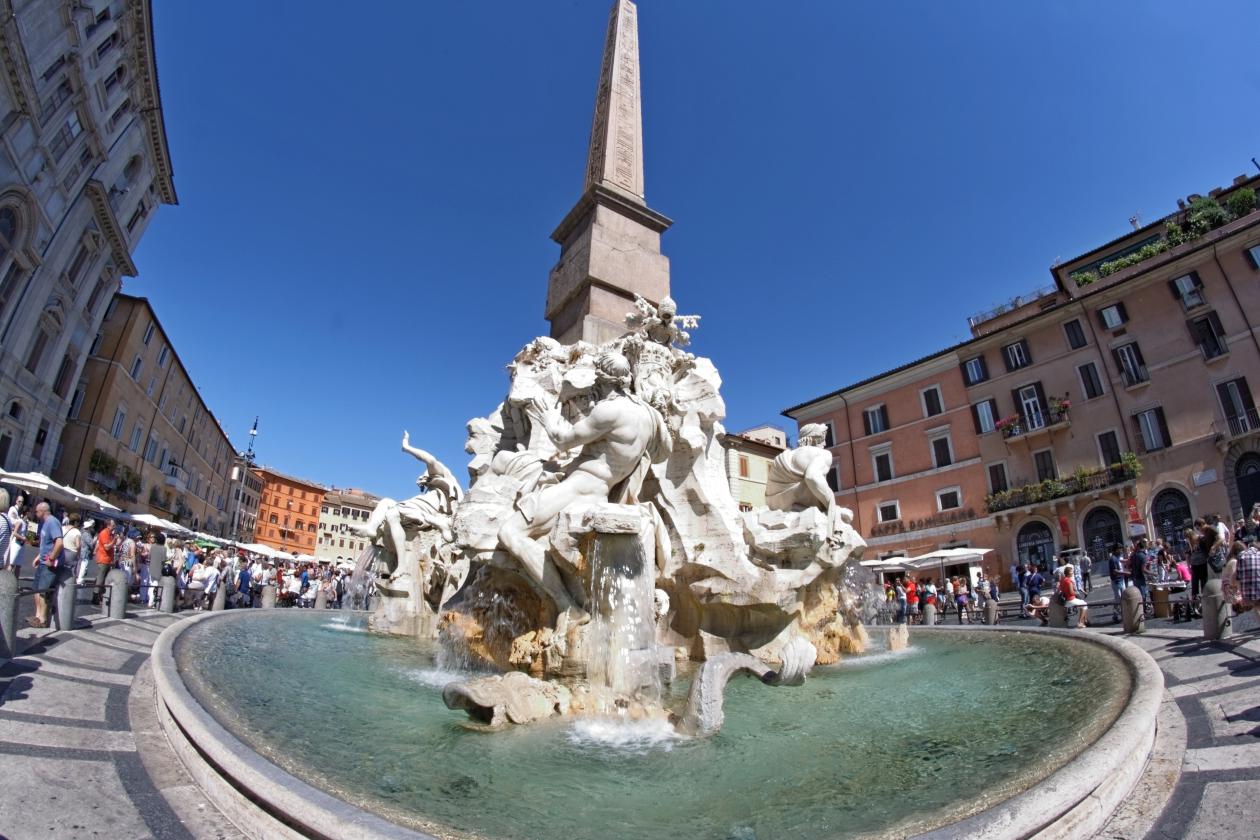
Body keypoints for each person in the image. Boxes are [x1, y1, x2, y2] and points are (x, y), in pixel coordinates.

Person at [27, 502, 64, 628]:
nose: (36, 514)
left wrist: (52, 558)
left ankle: (42, 620)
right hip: (43, 561)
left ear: (43, 511)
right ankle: (37, 616)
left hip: (50, 564)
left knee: (43, 591)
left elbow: (59, 542)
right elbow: (46, 544)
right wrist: (38, 557)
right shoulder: (45, 523)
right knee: (37, 589)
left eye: (37, 511)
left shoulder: (52, 522)